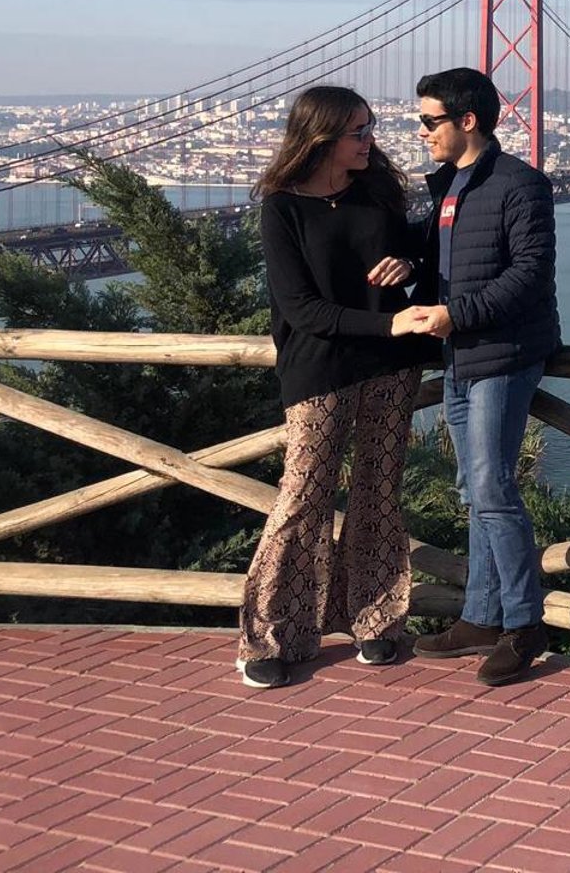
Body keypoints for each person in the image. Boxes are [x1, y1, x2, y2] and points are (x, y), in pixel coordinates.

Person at [240, 85, 431, 691]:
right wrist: (388, 323)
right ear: (320, 137)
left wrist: (411, 266)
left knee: (378, 493)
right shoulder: (282, 208)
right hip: (319, 368)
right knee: (303, 495)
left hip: (391, 366)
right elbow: (300, 308)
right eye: (358, 131)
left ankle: (375, 621)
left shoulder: (378, 191)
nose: (371, 138)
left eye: (370, 127)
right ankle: (271, 637)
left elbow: (419, 251)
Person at [398, 67, 561, 686]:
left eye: (429, 120)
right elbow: (447, 263)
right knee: (474, 491)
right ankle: (481, 616)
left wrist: (454, 315)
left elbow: (529, 275)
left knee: (493, 488)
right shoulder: (449, 186)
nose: (421, 131)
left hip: (503, 355)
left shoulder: (522, 184)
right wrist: (404, 265)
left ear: (467, 121)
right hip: (458, 356)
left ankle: (524, 624)